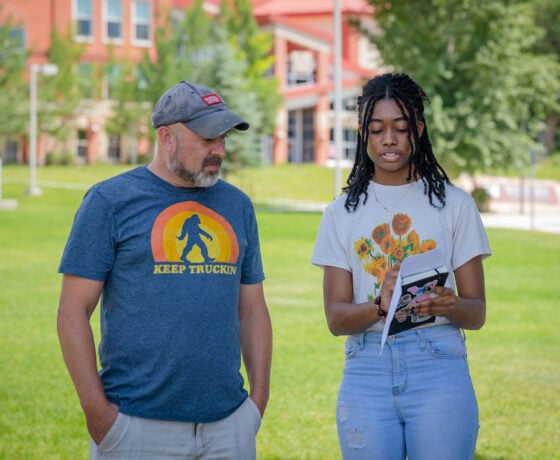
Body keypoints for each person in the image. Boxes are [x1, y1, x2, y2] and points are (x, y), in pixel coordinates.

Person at [57, 81, 272, 459]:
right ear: (166, 138)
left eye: (222, 138)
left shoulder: (237, 206)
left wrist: (256, 403)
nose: (218, 150)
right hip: (136, 426)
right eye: (207, 138)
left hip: (228, 426)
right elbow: (72, 312)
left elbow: (252, 308)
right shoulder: (109, 201)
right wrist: (99, 416)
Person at [311, 73, 491, 460]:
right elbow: (335, 318)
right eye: (377, 130)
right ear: (364, 134)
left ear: (419, 130)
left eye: (401, 128)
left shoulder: (455, 205)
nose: (389, 139)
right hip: (367, 367)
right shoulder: (341, 214)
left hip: (438, 365)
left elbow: (476, 313)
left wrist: (450, 304)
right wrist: (380, 305)